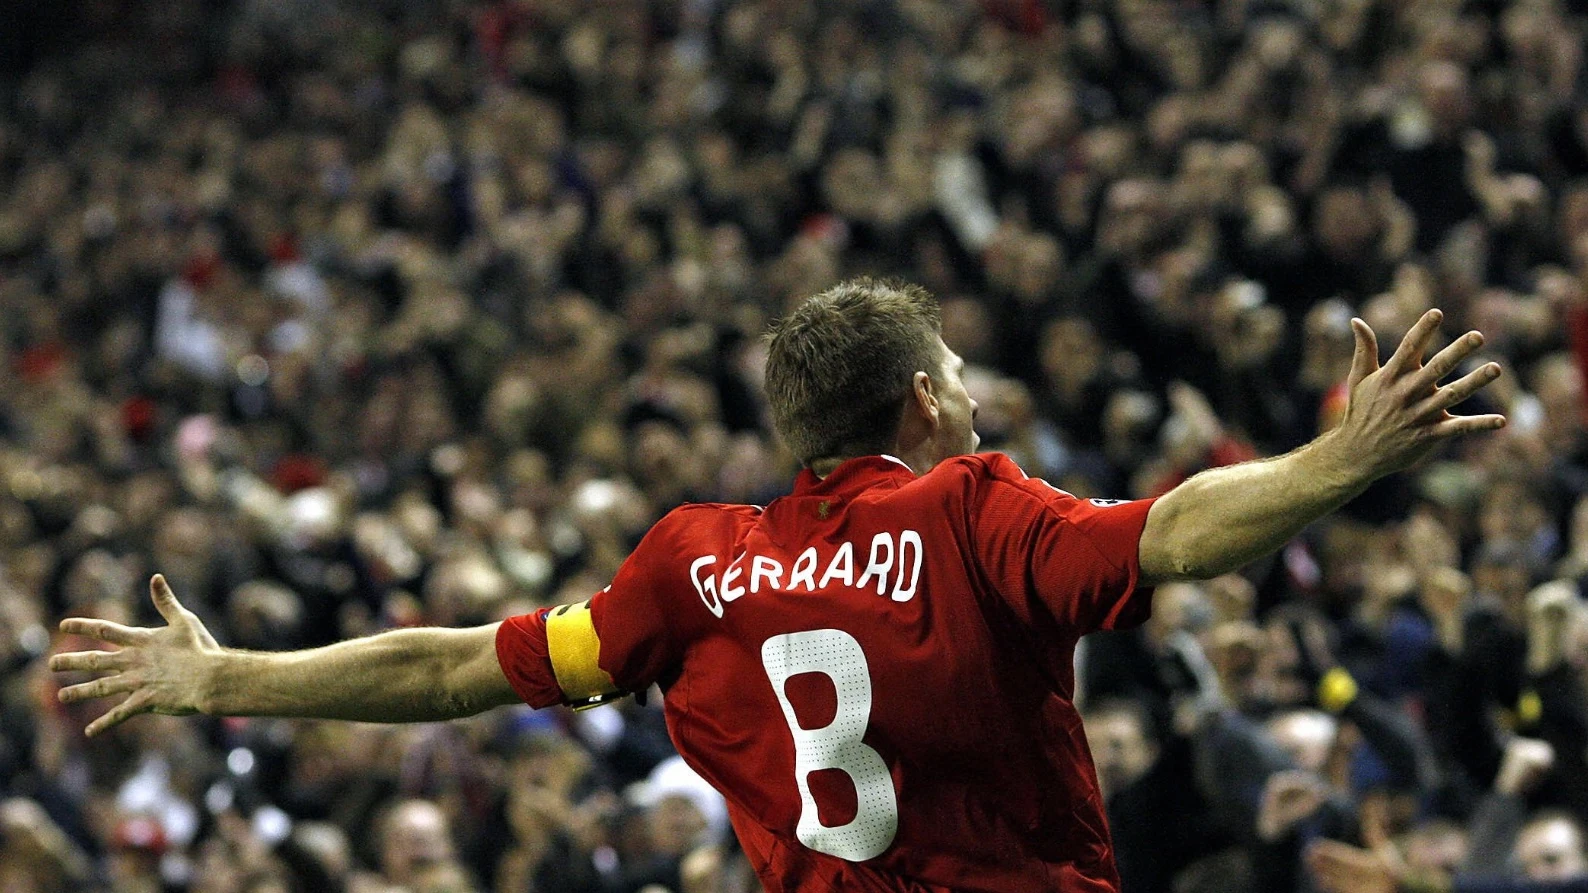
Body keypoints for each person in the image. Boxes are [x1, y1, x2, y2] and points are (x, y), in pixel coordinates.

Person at [52, 279, 1506, 892]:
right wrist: (1342, 457)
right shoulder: (970, 510)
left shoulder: (691, 567)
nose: (981, 413)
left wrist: (230, 677)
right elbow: (1173, 536)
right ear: (927, 399)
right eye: (968, 390)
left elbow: (453, 671)